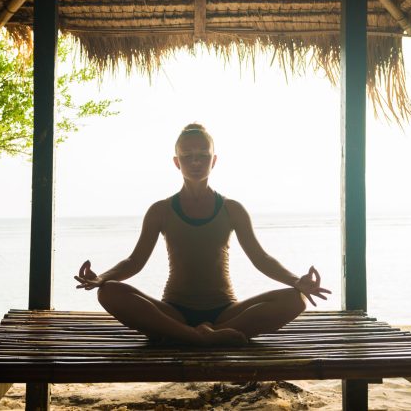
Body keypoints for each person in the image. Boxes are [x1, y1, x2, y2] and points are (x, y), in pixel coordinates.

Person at [74, 123, 330, 346]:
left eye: (202, 155)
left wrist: (297, 281)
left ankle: (194, 334)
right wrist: (102, 278)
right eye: (187, 156)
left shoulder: (232, 209)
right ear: (177, 162)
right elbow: (134, 261)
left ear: (214, 160)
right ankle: (198, 336)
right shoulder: (160, 210)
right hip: (173, 311)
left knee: (295, 300)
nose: (195, 162)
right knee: (109, 292)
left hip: (226, 312)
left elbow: (261, 258)